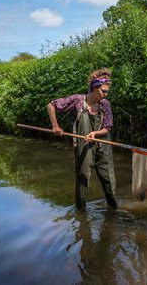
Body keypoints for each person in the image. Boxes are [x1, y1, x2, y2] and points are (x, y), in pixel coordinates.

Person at [47, 68, 118, 211]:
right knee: (83, 180)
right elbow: (51, 105)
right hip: (84, 146)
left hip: (103, 145)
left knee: (109, 181)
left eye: (107, 91)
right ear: (94, 88)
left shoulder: (105, 104)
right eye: (103, 91)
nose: (106, 94)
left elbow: (108, 127)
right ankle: (81, 213)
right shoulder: (78, 100)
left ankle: (114, 209)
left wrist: (95, 133)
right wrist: (55, 126)